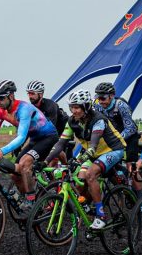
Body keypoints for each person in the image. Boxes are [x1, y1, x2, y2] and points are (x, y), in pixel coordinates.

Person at [0, 80, 59, 209]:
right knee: (14, 174)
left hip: (48, 137)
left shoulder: (24, 109)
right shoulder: (0, 112)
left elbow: (21, 137)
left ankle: (31, 200)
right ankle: (32, 201)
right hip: (34, 139)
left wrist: (2, 151)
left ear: (10, 96)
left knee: (25, 163)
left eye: (1, 98)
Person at [45, 90, 126, 230]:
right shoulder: (72, 121)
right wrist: (45, 161)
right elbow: (60, 144)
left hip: (113, 150)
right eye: (71, 107)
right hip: (94, 155)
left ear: (86, 106)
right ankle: (86, 207)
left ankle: (101, 216)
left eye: (77, 107)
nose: (73, 111)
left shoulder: (98, 119)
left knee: (90, 174)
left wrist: (79, 160)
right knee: (80, 181)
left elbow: (93, 146)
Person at [93, 82, 142, 192]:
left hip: (129, 135)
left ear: (112, 96)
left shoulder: (121, 106)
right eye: (98, 98)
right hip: (113, 137)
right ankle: (122, 187)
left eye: (103, 98)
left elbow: (131, 128)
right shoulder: (97, 105)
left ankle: (140, 196)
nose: (100, 101)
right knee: (111, 166)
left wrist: (117, 139)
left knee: (131, 167)